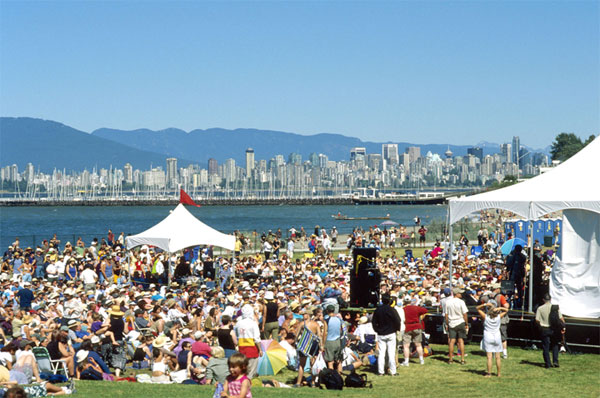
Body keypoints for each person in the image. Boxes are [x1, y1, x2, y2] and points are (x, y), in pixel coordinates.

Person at [476, 301, 509, 377]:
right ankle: (499, 373)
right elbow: (506, 310)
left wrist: (485, 304)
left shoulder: (486, 317)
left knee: (489, 357)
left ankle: (489, 373)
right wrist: (499, 307)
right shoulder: (498, 317)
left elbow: (477, 308)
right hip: (497, 337)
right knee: (498, 357)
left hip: (488, 337)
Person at [372, 294, 400, 375]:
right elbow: (397, 320)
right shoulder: (392, 310)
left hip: (381, 333)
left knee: (381, 353)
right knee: (391, 353)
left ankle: (381, 371)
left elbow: (374, 322)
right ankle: (393, 371)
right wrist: (396, 329)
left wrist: (377, 330)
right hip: (391, 333)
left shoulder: (378, 310)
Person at [535, 293, 566, 369]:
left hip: (544, 329)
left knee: (546, 347)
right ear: (550, 299)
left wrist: (540, 326)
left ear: (543, 300)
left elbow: (537, 320)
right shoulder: (555, 308)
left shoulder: (540, 308)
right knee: (555, 345)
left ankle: (548, 364)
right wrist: (563, 327)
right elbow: (561, 319)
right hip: (554, 329)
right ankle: (555, 361)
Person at [234, 304, 262, 379]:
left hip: (242, 347)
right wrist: (260, 349)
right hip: (252, 347)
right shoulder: (253, 323)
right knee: (251, 369)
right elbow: (257, 338)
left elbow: (236, 335)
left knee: (243, 368)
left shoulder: (238, 323)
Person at [401, 296, 427, 367]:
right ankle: (421, 360)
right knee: (418, 344)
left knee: (406, 346)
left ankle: (406, 361)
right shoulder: (416, 308)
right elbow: (425, 310)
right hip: (417, 326)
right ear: (411, 301)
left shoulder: (403, 309)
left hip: (407, 327)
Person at [445, 287, 469, 365]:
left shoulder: (448, 302)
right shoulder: (461, 302)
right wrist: (466, 323)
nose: (461, 294)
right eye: (460, 293)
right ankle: (462, 359)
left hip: (451, 322)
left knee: (452, 341)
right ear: (457, 294)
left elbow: (446, 314)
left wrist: (447, 323)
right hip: (460, 322)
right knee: (461, 341)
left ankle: (451, 359)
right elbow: (465, 314)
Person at [322, 305, 343, 373]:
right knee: (338, 361)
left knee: (330, 362)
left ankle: (332, 377)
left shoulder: (326, 319)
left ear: (327, 311)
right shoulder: (338, 319)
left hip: (329, 341)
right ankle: (339, 376)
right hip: (338, 341)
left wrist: (323, 344)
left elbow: (325, 332)